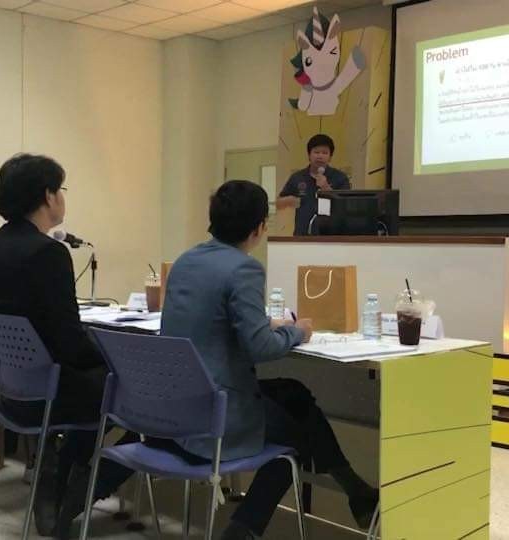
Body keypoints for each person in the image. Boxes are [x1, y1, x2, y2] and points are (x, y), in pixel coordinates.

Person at [161, 180, 378, 540]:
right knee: (296, 440)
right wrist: (298, 332)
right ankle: (242, 531)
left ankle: (357, 491)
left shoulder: (186, 261)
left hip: (181, 399)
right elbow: (261, 348)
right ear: (260, 227)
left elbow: (215, 317)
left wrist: (267, 324)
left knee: (294, 394)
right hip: (216, 408)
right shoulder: (244, 268)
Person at [0, 153, 134, 538]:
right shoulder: (48, 252)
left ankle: (57, 476)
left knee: (102, 385)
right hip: (52, 391)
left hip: (11, 388)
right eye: (61, 190)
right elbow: (68, 343)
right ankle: (69, 488)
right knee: (128, 389)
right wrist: (113, 357)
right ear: (48, 196)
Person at [276, 133, 351, 236]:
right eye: (316, 152)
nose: (320, 156)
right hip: (302, 235)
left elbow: (346, 207)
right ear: (309, 155)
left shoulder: (340, 178)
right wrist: (289, 201)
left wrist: (326, 187)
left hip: (332, 236)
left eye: (324, 153)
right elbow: (279, 204)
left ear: (330, 157)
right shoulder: (297, 177)